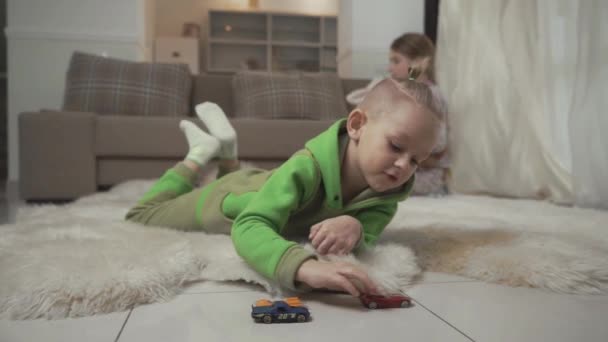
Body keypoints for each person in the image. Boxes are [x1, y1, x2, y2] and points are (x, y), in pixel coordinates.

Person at [125, 78, 443, 297]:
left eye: (417, 160)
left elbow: (367, 235)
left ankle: (228, 152)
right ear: (357, 125)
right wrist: (302, 265)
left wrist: (356, 227)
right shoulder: (307, 166)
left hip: (259, 182)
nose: (404, 166)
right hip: (227, 200)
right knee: (140, 215)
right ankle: (198, 155)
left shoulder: (386, 195)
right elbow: (250, 225)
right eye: (396, 146)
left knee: (248, 181)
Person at [346, 32, 449, 195]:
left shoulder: (433, 96)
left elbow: (438, 145)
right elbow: (356, 100)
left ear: (418, 62)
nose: (390, 67)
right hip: (411, 169)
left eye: (396, 61)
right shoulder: (395, 92)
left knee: (374, 181)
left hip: (426, 175)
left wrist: (413, 76)